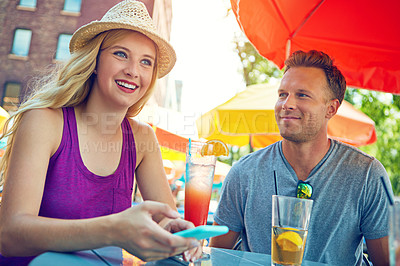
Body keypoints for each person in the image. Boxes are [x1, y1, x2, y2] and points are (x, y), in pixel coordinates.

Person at [0, 1, 201, 264]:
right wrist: (113, 230)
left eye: (146, 62)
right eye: (120, 54)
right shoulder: (44, 121)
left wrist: (178, 235)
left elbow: (167, 224)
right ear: (94, 60)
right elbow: (9, 235)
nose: (133, 70)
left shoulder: (142, 139)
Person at [210, 50, 391, 265]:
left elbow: (386, 262)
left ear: (331, 108)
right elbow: (217, 256)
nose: (287, 104)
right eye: (282, 94)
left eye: (302, 95)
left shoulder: (367, 175)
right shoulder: (244, 172)